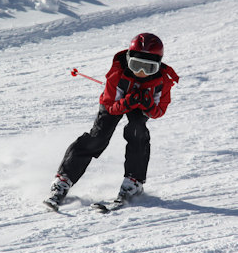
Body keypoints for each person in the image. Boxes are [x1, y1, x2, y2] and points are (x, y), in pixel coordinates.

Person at [44, 33, 179, 211]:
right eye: (137, 65)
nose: (141, 72)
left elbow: (159, 111)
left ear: (159, 65)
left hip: (139, 105)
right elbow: (109, 106)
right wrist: (127, 102)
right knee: (98, 137)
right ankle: (63, 180)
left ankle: (134, 182)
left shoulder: (161, 81)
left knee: (137, 130)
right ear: (129, 59)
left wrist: (147, 105)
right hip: (115, 103)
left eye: (149, 68)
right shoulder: (118, 74)